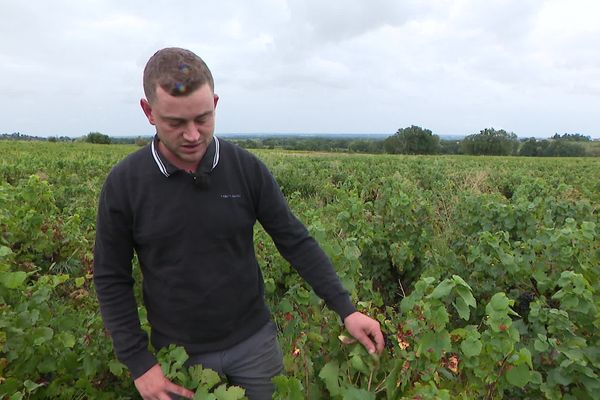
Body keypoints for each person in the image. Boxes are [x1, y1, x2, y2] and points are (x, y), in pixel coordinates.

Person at [93, 47, 384, 400]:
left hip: (255, 344)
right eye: (176, 122)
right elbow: (111, 277)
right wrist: (139, 362)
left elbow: (294, 239)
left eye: (203, 118)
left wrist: (346, 309)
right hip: (180, 356)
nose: (192, 135)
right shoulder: (125, 184)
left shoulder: (245, 169)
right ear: (148, 112)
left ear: (215, 102)